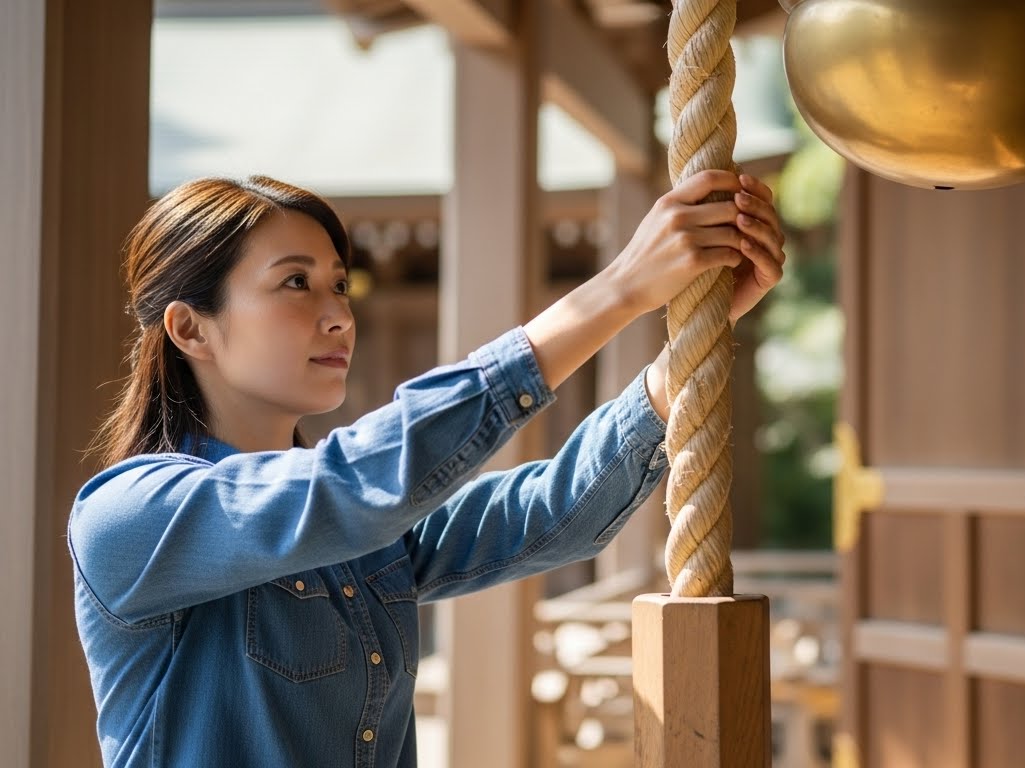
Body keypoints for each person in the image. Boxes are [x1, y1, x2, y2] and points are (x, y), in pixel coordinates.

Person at [68, 169, 785, 767]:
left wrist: (690, 346)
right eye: (295, 283)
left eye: (340, 285)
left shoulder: (356, 526)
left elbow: (549, 514)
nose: (338, 315)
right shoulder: (130, 517)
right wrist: (619, 289)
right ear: (190, 328)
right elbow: (352, 487)